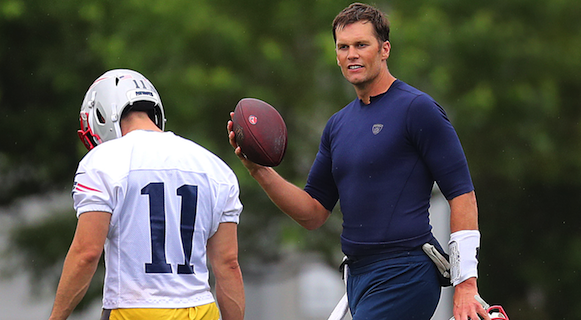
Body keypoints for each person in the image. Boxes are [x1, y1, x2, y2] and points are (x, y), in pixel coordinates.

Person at [227, 3, 488, 320]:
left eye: (361, 45)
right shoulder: (337, 126)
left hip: (406, 273)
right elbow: (312, 213)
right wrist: (258, 170)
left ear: (384, 49)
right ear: (336, 55)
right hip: (357, 277)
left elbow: (463, 195)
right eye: (343, 47)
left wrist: (465, 284)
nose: (351, 54)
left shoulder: (417, 109)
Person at [49, 69, 245, 320]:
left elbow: (86, 253)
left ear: (101, 114)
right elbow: (228, 265)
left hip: (135, 310)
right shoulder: (216, 168)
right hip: (201, 310)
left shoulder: (102, 162)